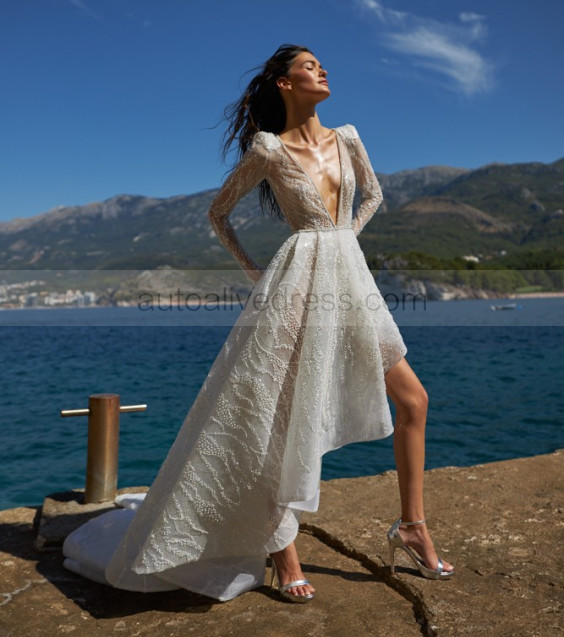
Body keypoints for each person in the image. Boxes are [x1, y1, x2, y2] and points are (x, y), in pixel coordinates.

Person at [62, 44, 453, 603]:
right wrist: (259, 273)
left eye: (323, 64)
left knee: (413, 400)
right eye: (309, 65)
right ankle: (282, 550)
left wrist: (341, 243)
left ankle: (412, 525)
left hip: (350, 281)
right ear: (283, 83)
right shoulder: (267, 149)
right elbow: (217, 213)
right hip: (293, 287)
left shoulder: (347, 137)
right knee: (276, 421)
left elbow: (375, 194)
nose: (322, 69)